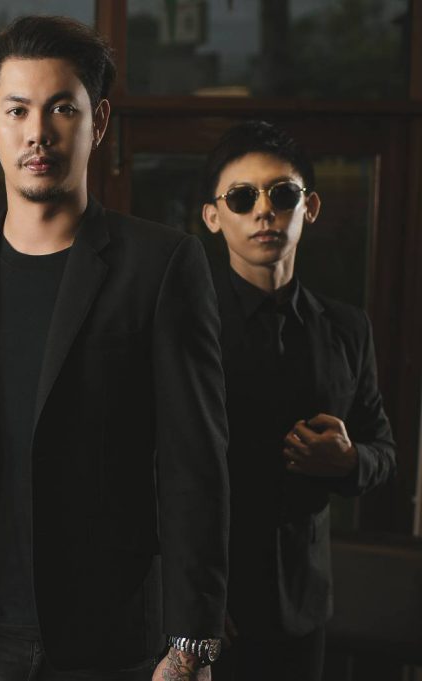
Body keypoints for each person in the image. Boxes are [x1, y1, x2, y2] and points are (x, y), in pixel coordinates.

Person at [0, 15, 229, 681]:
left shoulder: (161, 266)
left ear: (100, 120)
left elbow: (194, 470)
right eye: (17, 110)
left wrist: (192, 648)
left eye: (63, 108)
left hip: (109, 641)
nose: (38, 132)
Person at [200, 121, 397, 681]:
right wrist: (183, 591)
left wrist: (349, 460)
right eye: (243, 197)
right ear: (213, 217)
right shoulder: (185, 327)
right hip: (208, 604)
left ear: (308, 207)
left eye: (282, 194)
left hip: (302, 605)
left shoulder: (347, 328)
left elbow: (383, 450)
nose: (264, 211)